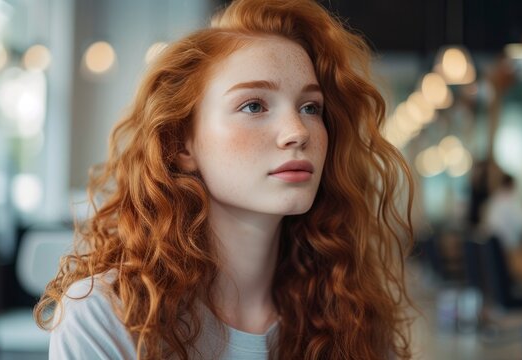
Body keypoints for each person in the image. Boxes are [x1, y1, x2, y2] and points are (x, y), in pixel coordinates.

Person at [35, 0, 415, 358]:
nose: (297, 131)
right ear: (183, 145)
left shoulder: (353, 317)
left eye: (310, 107)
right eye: (253, 105)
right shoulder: (106, 318)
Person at [484, 174, 522, 250]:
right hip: (511, 247)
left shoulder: (494, 201)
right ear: (512, 185)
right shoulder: (514, 202)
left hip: (494, 248)